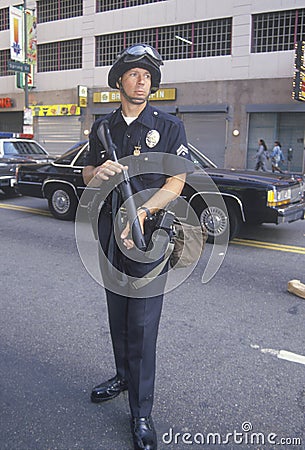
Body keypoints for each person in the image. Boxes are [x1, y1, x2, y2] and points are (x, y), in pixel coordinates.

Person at [82, 44, 192, 450]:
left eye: (148, 74)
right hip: (111, 232)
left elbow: (176, 182)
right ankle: (122, 377)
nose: (142, 79)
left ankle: (141, 412)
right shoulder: (102, 127)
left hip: (148, 236)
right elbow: (87, 173)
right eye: (133, 73)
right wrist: (99, 170)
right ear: (119, 82)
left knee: (142, 324)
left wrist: (143, 212)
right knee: (119, 313)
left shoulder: (168, 126)